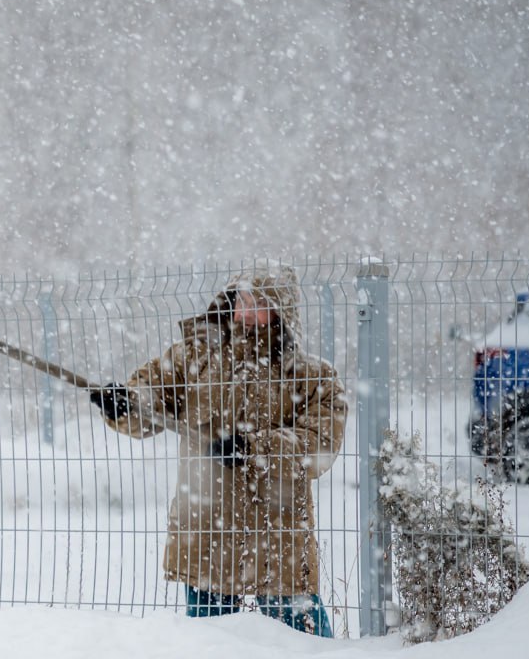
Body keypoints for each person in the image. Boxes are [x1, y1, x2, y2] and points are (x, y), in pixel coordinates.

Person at [90, 264, 348, 636]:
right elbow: (151, 398)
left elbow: (319, 446)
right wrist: (126, 403)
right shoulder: (193, 358)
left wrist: (253, 448)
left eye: (257, 302)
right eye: (240, 299)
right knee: (210, 650)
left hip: (277, 532)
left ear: (281, 311)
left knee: (305, 647)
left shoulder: (312, 377)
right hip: (206, 525)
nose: (244, 311)